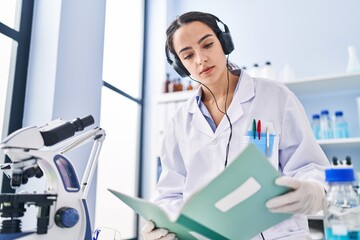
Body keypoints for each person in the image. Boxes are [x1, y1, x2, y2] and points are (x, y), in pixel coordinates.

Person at [142, 11, 330, 240]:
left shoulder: (275, 96)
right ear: (181, 66)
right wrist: (163, 224)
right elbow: (170, 193)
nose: (201, 59)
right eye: (188, 55)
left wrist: (313, 189)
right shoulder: (180, 121)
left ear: (224, 43)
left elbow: (309, 165)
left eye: (208, 45)